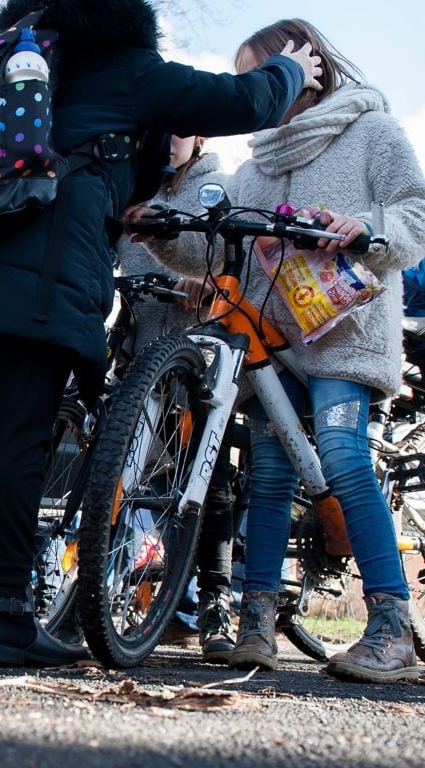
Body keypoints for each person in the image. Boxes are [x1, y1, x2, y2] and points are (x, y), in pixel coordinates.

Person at [0, 0, 322, 667]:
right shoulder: (124, 68)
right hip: (37, 288)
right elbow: (238, 101)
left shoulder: (38, 63)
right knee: (16, 445)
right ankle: (2, 620)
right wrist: (288, 68)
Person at [129, 19, 425, 683]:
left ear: (307, 63)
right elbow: (212, 249)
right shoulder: (257, 165)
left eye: (256, 71)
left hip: (345, 337)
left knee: (345, 460)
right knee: (268, 475)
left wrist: (367, 228)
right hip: (275, 346)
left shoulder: (371, 130)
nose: (250, 88)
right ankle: (254, 623)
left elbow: (417, 212)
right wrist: (156, 233)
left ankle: (390, 625)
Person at [116, 135, 238, 664]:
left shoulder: (218, 186)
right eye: (162, 129)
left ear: (200, 140)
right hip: (140, 353)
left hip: (199, 361)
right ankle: (107, 589)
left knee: (207, 485)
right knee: (125, 474)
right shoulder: (134, 184)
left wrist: (208, 283)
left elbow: (239, 260)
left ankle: (215, 603)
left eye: (180, 131)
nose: (169, 141)